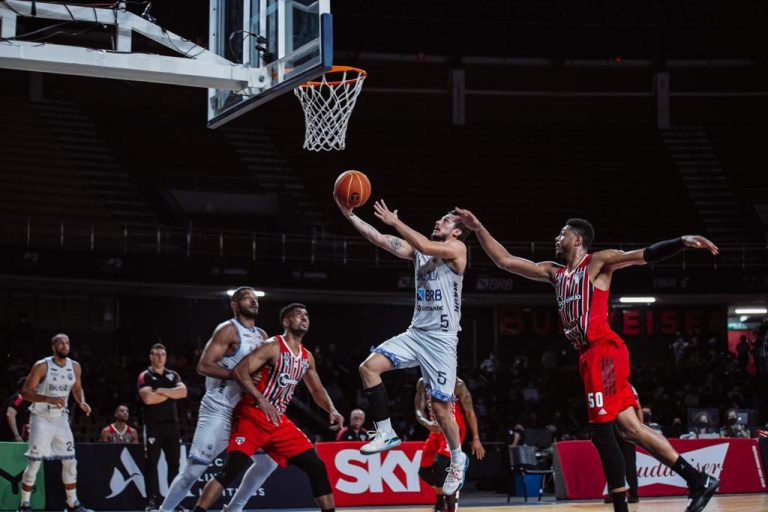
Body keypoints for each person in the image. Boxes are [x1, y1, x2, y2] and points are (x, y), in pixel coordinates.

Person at [453, 209, 721, 512]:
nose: (557, 237)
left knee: (602, 433)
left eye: (562, 233)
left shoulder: (597, 262)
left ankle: (622, 507)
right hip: (588, 355)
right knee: (630, 429)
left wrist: (682, 241)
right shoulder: (554, 273)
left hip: (603, 350)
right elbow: (505, 260)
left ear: (578, 239)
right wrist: (478, 228)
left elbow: (643, 255)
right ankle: (698, 479)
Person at [336, 196, 471, 496]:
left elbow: (422, 244)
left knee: (441, 409)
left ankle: (457, 460)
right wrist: (350, 215)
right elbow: (380, 239)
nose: (438, 221)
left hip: (442, 341)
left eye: (446, 220)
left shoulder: (457, 249)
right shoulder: (420, 251)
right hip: (416, 333)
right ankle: (385, 432)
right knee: (368, 368)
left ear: (457, 231)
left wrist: (395, 221)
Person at [191, 303, 344, 512]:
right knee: (231, 470)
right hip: (252, 413)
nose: (304, 318)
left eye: (306, 315)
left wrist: (332, 410)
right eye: (298, 315)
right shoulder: (272, 346)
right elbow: (240, 371)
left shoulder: (306, 357)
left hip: (277, 419)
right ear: (286, 322)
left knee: (316, 466)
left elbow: (317, 390)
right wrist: (261, 399)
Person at [159, 287, 278, 512]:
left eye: (255, 299)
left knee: (268, 461)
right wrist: (240, 375)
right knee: (193, 472)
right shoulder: (228, 330)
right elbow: (203, 366)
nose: (254, 301)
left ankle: (234, 508)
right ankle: (164, 511)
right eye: (247, 298)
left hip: (246, 412)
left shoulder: (262, 335)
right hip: (219, 408)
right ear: (235, 305)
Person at [17, 333, 92, 512]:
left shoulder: (75, 366)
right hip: (40, 418)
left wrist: (81, 401)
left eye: (67, 343)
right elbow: (25, 392)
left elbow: (77, 389)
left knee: (70, 462)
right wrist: (47, 398)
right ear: (53, 347)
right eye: (61, 343)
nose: (65, 346)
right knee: (35, 463)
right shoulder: (42, 365)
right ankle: (24, 504)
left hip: (60, 419)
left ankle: (72, 504)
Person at [415, 377, 485, 512]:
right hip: (436, 430)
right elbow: (419, 410)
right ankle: (451, 491)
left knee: (439, 464)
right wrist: (427, 423)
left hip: (454, 428)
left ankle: (442, 503)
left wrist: (476, 438)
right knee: (424, 472)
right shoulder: (423, 382)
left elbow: (470, 412)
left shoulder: (458, 384)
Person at [137, 343, 188, 511]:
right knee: (151, 465)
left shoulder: (173, 375)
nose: (160, 357)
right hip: (153, 426)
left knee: (174, 465)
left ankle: (174, 503)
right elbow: (148, 399)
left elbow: (183, 392)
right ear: (151, 356)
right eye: (157, 354)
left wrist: (160, 390)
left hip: (172, 425)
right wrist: (171, 393)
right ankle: (151, 502)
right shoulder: (145, 375)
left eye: (163, 354)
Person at [0, 377, 29, 442]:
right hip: (6, 438)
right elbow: (10, 414)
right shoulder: (19, 398)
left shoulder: (19, 399)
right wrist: (17, 435)